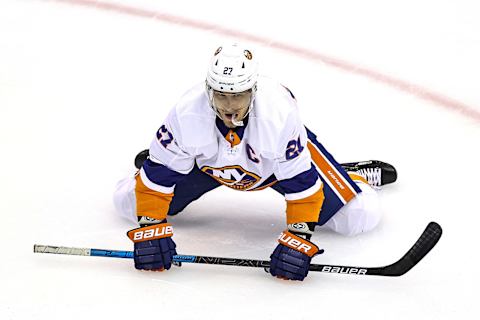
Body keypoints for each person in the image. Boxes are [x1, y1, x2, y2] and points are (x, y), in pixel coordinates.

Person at [114, 43, 397, 281]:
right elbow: (157, 180)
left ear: (253, 90)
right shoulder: (187, 113)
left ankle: (348, 176)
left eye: (237, 95)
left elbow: (301, 186)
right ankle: (173, 153)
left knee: (360, 216)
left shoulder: (278, 117)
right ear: (209, 90)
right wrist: (149, 227)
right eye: (221, 95)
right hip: (208, 166)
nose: (229, 106)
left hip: (275, 169)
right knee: (127, 204)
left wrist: (299, 238)